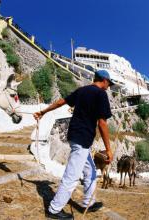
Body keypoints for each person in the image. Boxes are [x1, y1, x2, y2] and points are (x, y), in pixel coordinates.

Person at [33, 70, 114, 219]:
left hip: (75, 136)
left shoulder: (82, 90)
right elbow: (102, 123)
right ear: (104, 80)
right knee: (72, 175)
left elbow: (61, 102)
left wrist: (43, 112)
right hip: (83, 138)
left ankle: (88, 203)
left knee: (90, 171)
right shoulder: (101, 94)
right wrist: (109, 149)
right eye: (109, 83)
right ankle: (54, 209)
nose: (109, 86)